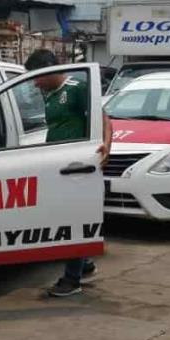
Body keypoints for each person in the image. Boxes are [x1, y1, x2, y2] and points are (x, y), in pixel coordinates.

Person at [22, 48, 112, 297]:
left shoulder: (77, 89)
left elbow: (104, 119)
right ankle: (85, 265)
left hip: (77, 167)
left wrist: (107, 146)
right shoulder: (48, 94)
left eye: (38, 76)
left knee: (71, 221)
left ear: (51, 69)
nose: (35, 82)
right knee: (62, 218)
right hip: (58, 165)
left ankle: (72, 280)